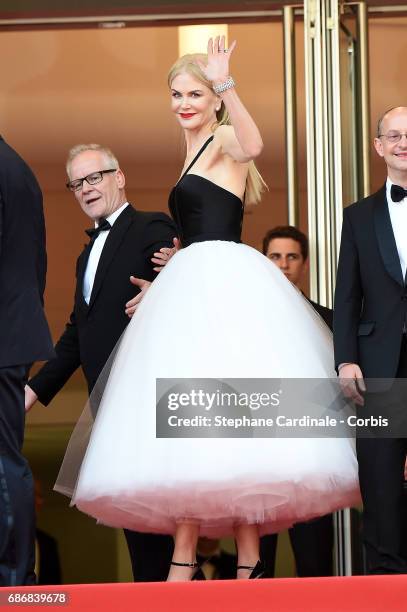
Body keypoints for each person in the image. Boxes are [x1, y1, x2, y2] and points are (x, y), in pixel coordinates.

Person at [55, 37, 360, 582]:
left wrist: (227, 84)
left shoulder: (222, 133)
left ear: (213, 99)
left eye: (194, 93)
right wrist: (170, 271)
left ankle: (201, 560)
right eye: (176, 94)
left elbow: (255, 142)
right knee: (199, 413)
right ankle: (243, 565)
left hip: (225, 279)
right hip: (195, 276)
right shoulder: (192, 149)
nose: (184, 102)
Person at [25, 144, 176, 582]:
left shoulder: (152, 227)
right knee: (135, 517)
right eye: (77, 183)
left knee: (155, 518)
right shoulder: (84, 256)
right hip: (108, 404)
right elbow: (77, 334)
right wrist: (33, 391)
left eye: (95, 178)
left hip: (145, 398)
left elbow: (182, 283)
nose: (86, 189)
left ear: (119, 177)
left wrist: (172, 269)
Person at [334, 106, 407, 575]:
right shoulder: (358, 216)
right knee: (380, 480)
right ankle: (385, 582)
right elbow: (347, 296)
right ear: (378, 146)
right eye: (394, 135)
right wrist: (345, 361)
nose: (404, 142)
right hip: (379, 364)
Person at [260, 225, 334, 577]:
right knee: (258, 567)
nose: (283, 264)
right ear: (264, 262)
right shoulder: (244, 326)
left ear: (304, 263)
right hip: (259, 462)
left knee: (315, 564)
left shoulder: (330, 320)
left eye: (292, 257)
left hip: (311, 461)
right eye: (275, 256)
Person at [0, 136, 55, 585]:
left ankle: (13, 576)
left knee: (2, 458)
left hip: (4, 337)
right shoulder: (17, 167)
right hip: (11, 333)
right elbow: (36, 264)